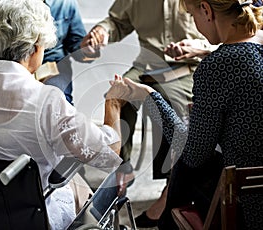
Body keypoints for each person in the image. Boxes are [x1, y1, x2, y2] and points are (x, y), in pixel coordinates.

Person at [0, 0, 124, 229]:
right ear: (37, 47)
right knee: (82, 187)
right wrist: (114, 104)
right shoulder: (49, 102)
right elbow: (108, 152)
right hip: (31, 218)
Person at [108, 0, 263, 229]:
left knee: (187, 168)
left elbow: (193, 155)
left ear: (206, 10)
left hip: (246, 208)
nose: (195, 22)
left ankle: (162, 212)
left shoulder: (218, 66)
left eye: (192, 15)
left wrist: (150, 97)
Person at [80, 0, 215, 227]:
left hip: (187, 66)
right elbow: (117, 21)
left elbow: (228, 29)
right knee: (115, 97)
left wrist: (200, 45)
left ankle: (171, 189)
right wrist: (102, 31)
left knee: (175, 109)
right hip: (147, 67)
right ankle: (122, 169)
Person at [0, 0, 89, 104]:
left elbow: (78, 45)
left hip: (52, 65)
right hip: (10, 63)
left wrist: (87, 49)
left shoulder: (66, 4)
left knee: (57, 98)